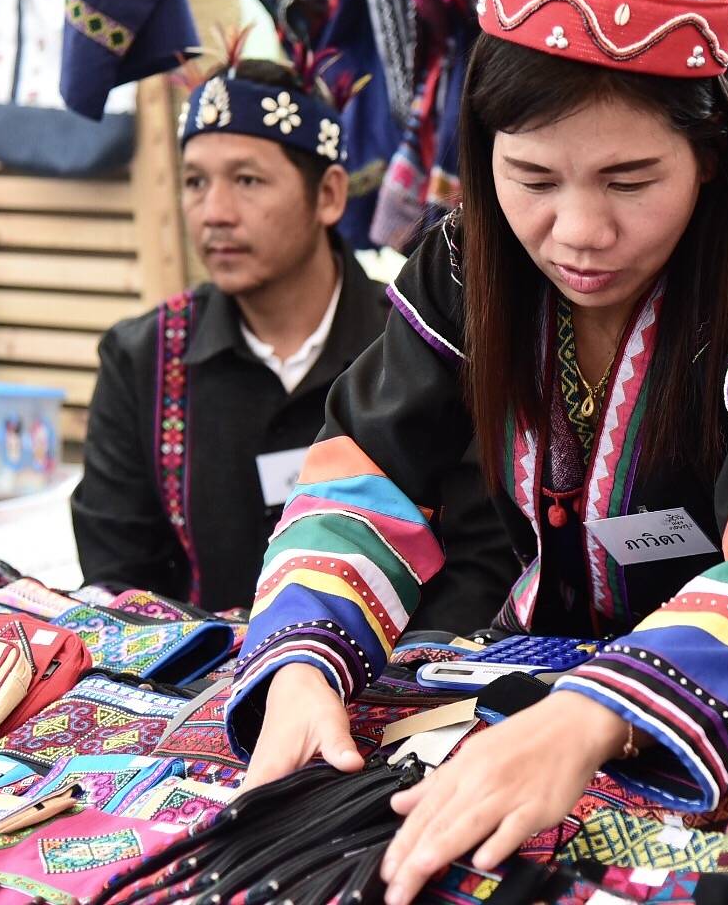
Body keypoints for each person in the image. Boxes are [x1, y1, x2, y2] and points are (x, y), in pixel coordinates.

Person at [223, 0, 728, 905]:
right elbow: (366, 470)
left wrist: (602, 714)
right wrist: (302, 662)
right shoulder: (468, 265)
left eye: (630, 181)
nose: (580, 233)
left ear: (709, 159)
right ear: (485, 157)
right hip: (551, 677)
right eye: (533, 179)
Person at [71, 49, 516, 625]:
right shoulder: (142, 360)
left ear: (329, 194)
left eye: (247, 180)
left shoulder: (424, 343)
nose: (214, 212)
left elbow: (482, 560)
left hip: (397, 672)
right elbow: (117, 576)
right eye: (195, 182)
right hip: (201, 673)